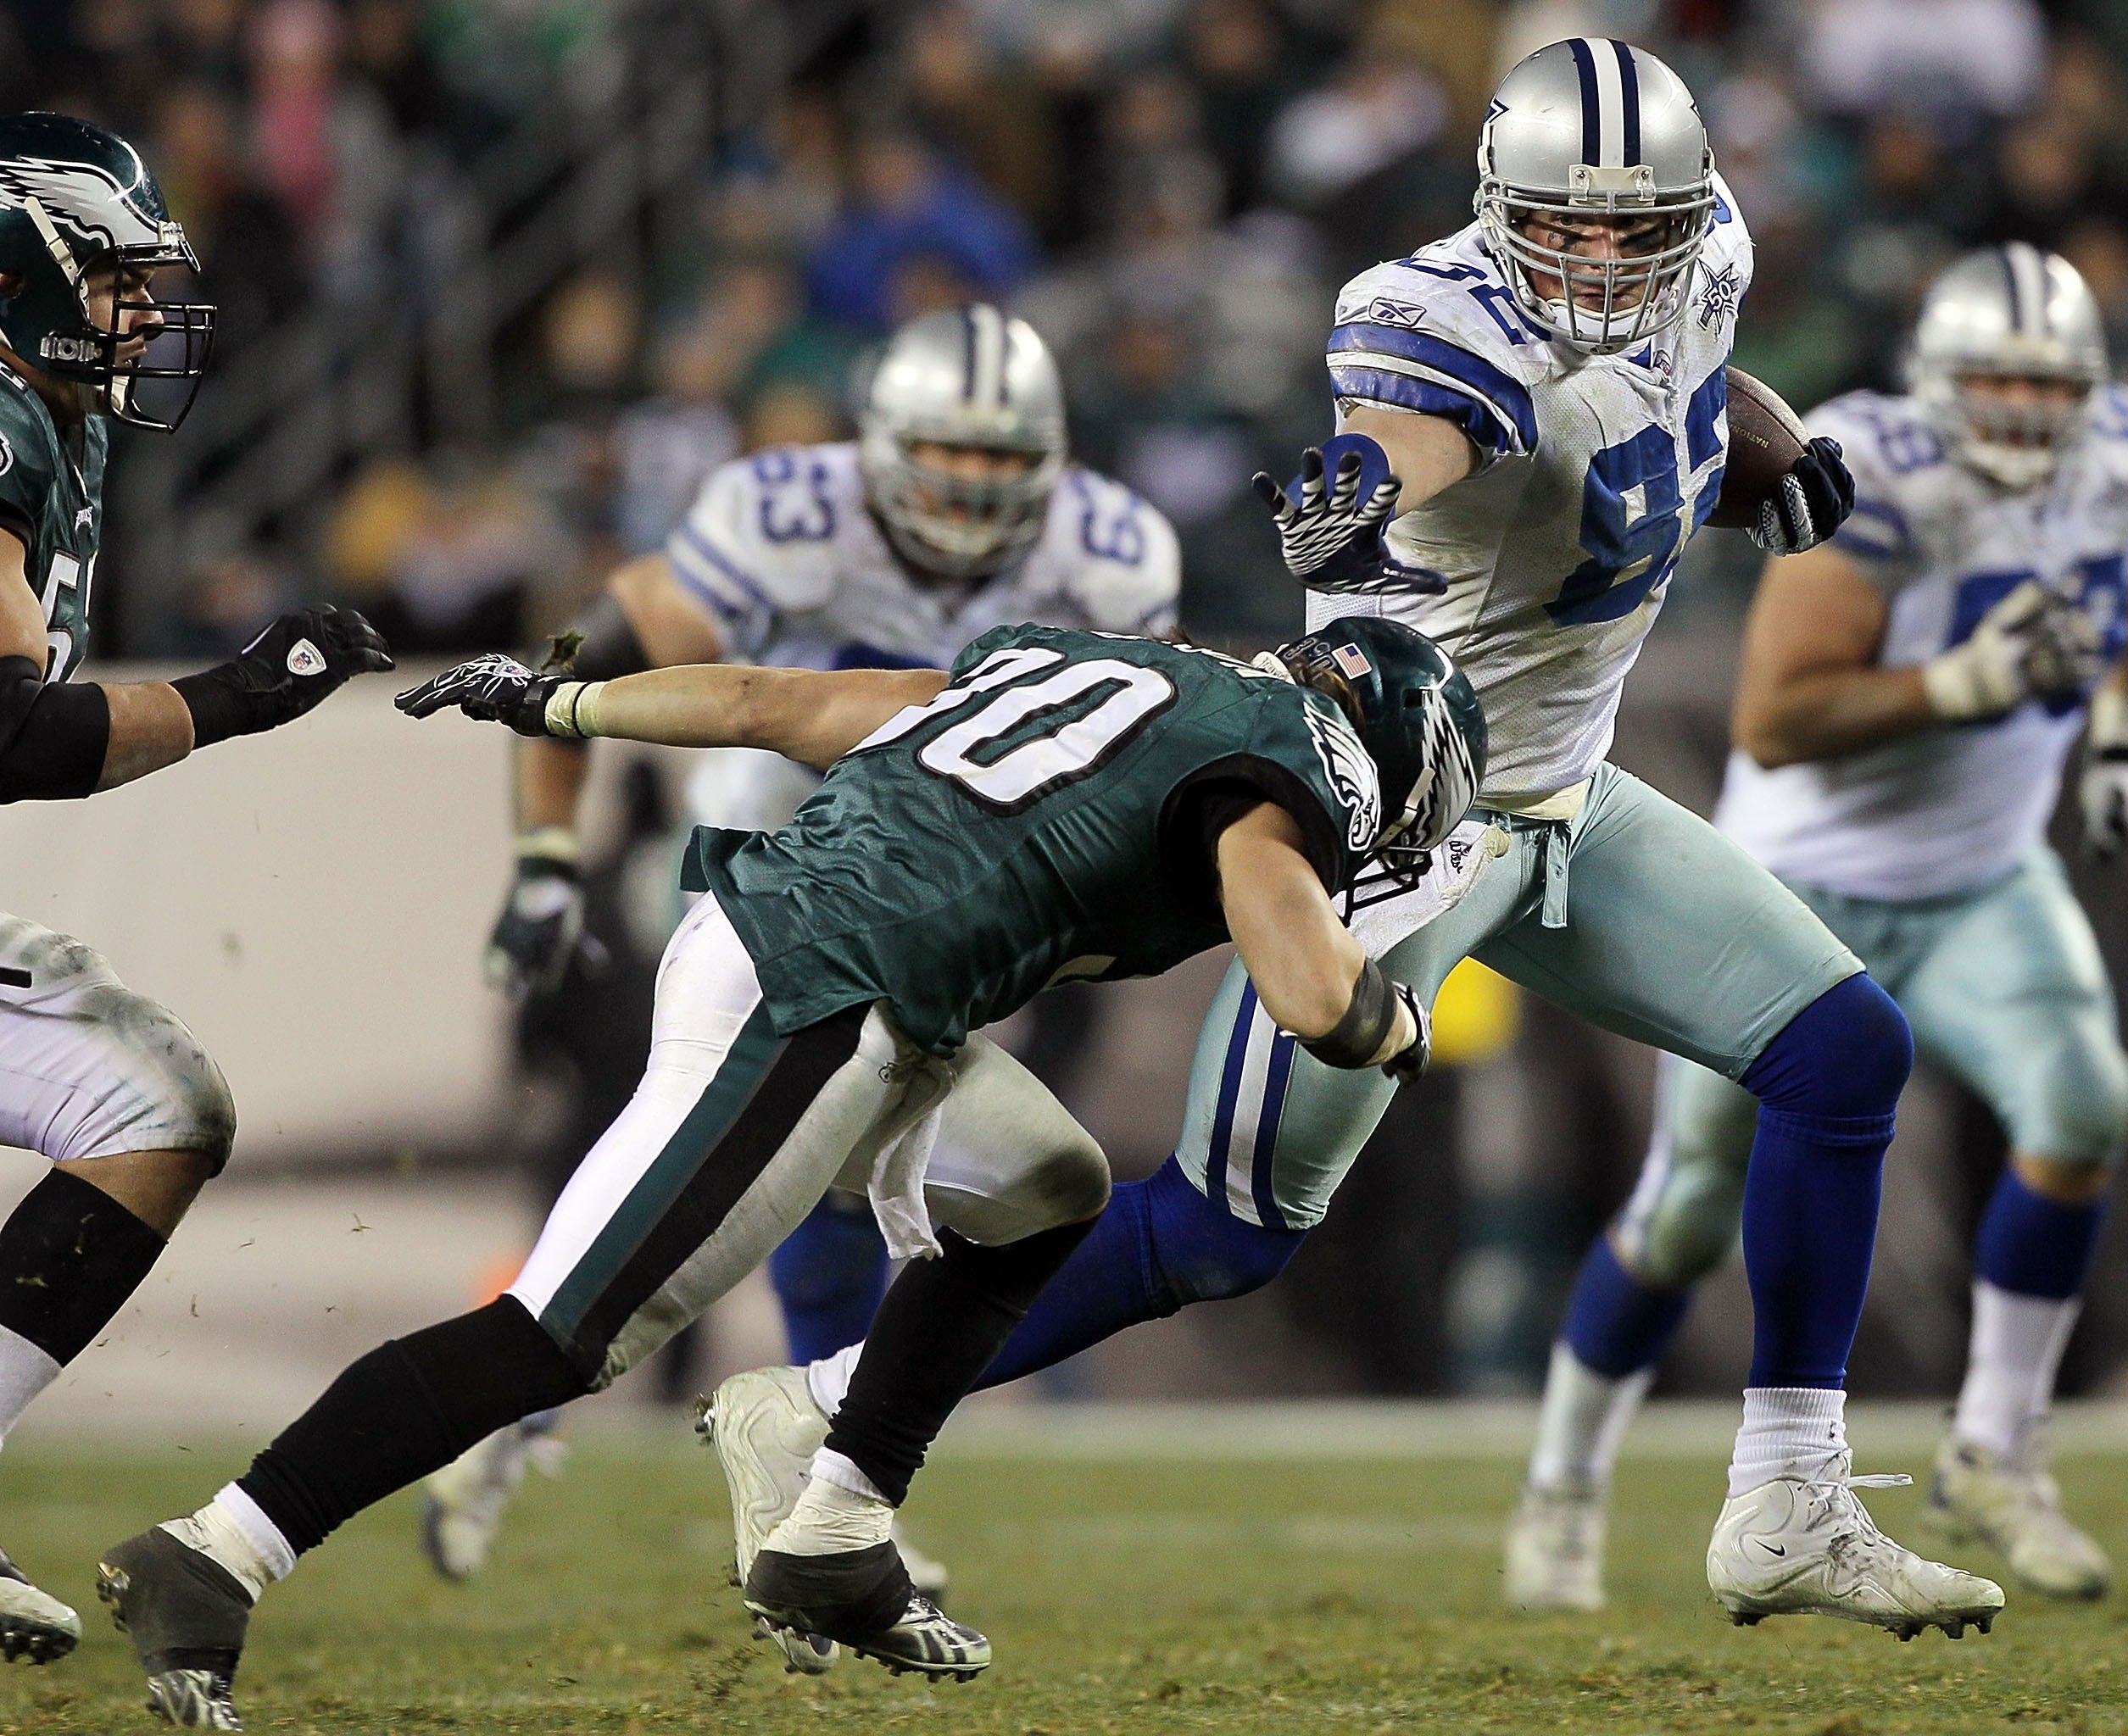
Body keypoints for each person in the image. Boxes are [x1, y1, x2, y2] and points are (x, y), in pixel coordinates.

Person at [705, 38, 2003, 1642]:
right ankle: (819, 1405)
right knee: (1222, 1230)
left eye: (1634, 233)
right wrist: (1359, 495)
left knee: (1843, 1052)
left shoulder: (1708, 248)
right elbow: (1415, 439)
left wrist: (1777, 457)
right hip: (1398, 825)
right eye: (1563, 229)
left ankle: (1791, 1498)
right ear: (1494, 202)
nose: (1600, 263)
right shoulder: (1425, 315)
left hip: (1566, 801)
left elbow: (1687, 383)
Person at [97, 615, 1482, 1729]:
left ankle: (838, 1522)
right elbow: (1311, 993)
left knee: (1050, 1185)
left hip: (816, 948)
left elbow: (777, 701)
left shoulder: (1101, 660)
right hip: (822, 997)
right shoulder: (1283, 765)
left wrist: (562, 705)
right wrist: (1400, 1022)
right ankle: (218, 1549)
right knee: (562, 1330)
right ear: (1393, 753)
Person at [424, 303, 1178, 1589]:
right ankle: (556, 1419)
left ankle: (766, 1478)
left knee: (823, 1187)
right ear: (880, 442)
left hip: (950, 891)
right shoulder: (785, 517)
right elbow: (583, 662)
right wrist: (547, 858)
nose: (977, 483)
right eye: (953, 451)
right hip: (770, 867)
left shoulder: (1114, 553)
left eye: (1006, 459)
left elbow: (1119, 772)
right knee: (718, 1173)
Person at [1507, 242, 2128, 1611]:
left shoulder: (2125, 457)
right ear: (1934, 385)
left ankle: (1994, 1444)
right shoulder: (1881, 481)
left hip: (1982, 877)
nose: (2015, 412)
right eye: (1988, 382)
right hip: (1800, 882)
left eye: (2042, 385)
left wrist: (2119, 736)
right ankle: (1562, 1485)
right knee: (1689, 1203)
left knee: (2083, 1099)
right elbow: (1773, 717)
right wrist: (1966, 680)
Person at [0, 113, 393, 1665]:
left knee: (152, 1104)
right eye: (114, 283)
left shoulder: (48, 418)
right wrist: (237, 694)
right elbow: (11, 732)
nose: (146, 315)